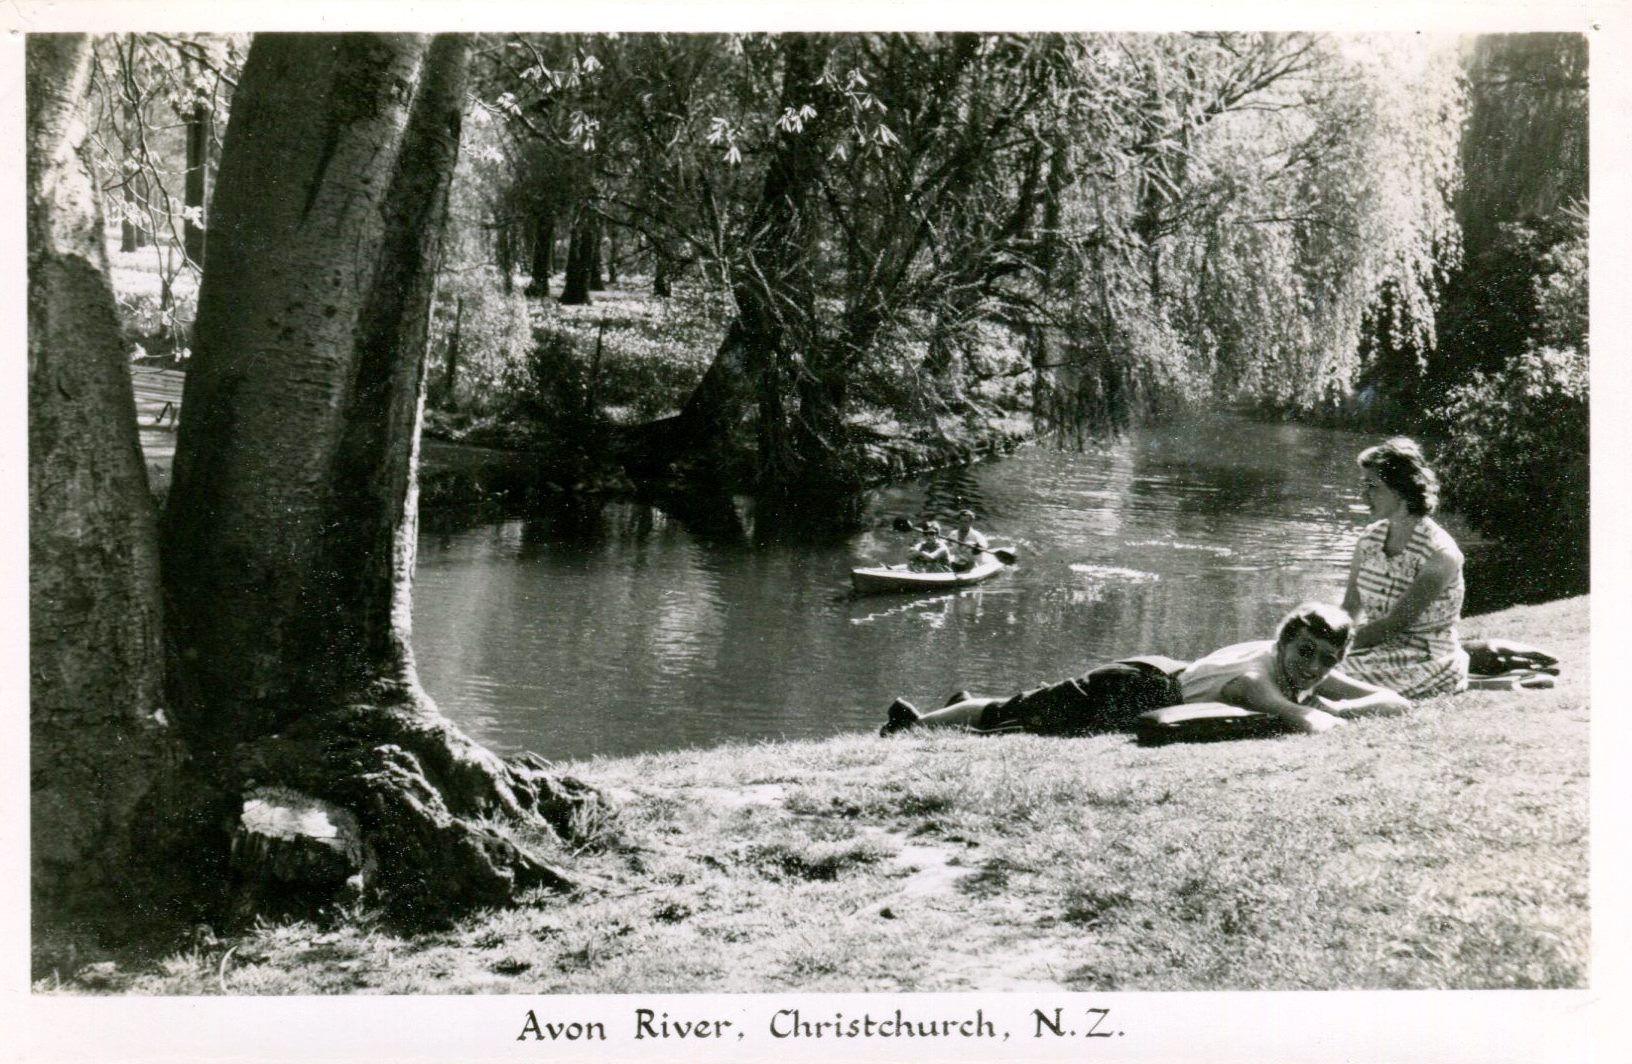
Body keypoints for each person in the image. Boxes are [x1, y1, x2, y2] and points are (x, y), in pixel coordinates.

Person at [880, 602, 1408, 738]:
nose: (1313, 667)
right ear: (1284, 641)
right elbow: (1310, 723)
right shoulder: (1257, 680)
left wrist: (1334, 696)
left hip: (1164, 674)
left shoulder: (1300, 669)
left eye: (1327, 659)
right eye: (1305, 652)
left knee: (1022, 710)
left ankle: (954, 708)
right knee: (1011, 718)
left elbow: (1396, 700)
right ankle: (913, 726)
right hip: (1136, 688)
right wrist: (1334, 708)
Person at [1340, 437, 1469, 699]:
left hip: (1425, 660)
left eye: (1372, 486)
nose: (1363, 494)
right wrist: (1315, 640)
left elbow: (1394, 625)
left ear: (1400, 489)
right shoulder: (1370, 539)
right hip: (1374, 650)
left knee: (1315, 674)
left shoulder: (1440, 553)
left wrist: (1326, 649)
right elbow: (1350, 607)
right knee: (1285, 661)